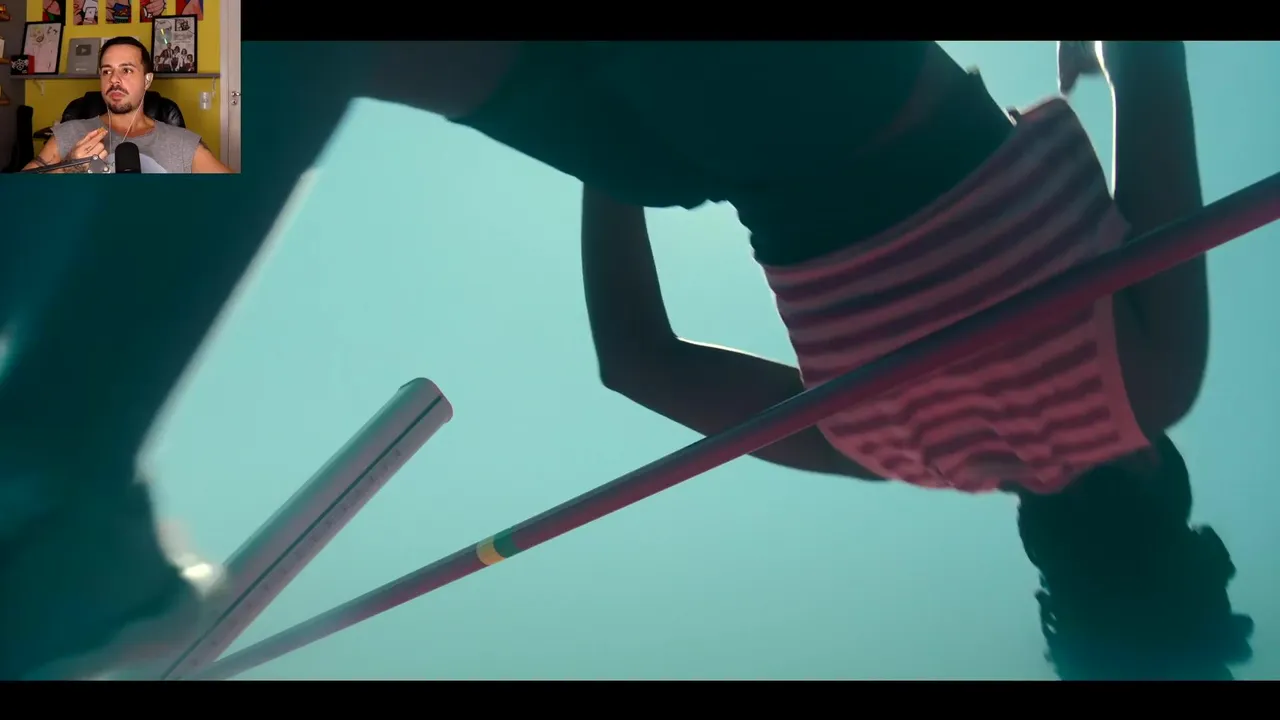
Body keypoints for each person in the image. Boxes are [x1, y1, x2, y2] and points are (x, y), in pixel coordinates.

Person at [0, 41, 1244, 680]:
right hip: (677, 152)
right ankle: (58, 479)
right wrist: (632, 162)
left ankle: (60, 470)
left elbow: (1150, 63)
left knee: (241, 58)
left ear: (1184, 534)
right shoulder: (893, 451)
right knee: (278, 51)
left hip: (829, 83)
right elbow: (637, 361)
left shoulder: (1152, 388)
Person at [22, 36, 230, 174]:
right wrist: (69, 167)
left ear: (147, 80)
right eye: (106, 71)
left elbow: (237, 194)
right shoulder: (69, 133)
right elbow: (18, 190)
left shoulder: (182, 143)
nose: (114, 79)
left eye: (126, 70)